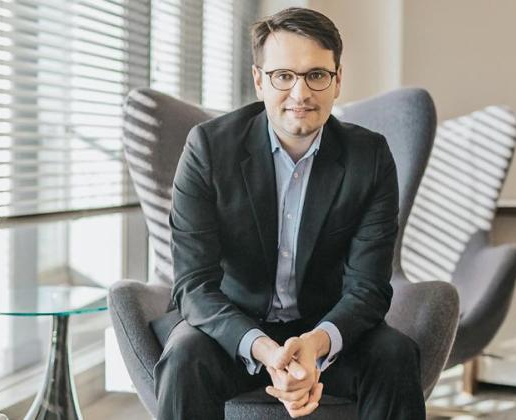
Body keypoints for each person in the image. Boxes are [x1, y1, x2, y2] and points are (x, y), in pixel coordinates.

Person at [153, 7, 425, 420]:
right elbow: (193, 285)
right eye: (283, 76)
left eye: (316, 75)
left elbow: (368, 288)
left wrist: (315, 345)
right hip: (232, 328)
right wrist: (266, 350)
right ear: (259, 80)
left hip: (325, 326)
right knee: (184, 357)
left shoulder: (369, 157)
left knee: (395, 354)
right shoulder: (208, 149)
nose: (300, 94)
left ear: (338, 80)